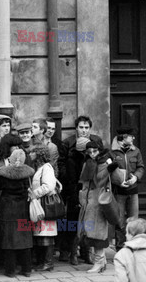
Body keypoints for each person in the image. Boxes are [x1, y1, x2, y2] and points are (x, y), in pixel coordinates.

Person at [61, 115, 103, 265]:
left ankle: (86, 252)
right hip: (74, 190)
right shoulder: (69, 145)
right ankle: (71, 252)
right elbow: (64, 169)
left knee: (89, 222)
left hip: (91, 189)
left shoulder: (96, 142)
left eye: (86, 127)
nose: (84, 130)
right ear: (76, 128)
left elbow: (102, 160)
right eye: (81, 127)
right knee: (73, 222)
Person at [0, 149, 35, 278]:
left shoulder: (3, 173)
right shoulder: (27, 173)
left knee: (8, 239)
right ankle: (27, 269)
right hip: (23, 208)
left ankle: (10, 270)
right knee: (25, 239)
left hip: (7, 208)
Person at [77, 141, 116, 273]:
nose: (92, 154)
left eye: (95, 151)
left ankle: (98, 262)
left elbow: (100, 180)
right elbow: (83, 182)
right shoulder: (88, 163)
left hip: (99, 201)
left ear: (100, 150)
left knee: (98, 234)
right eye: (89, 152)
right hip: (88, 202)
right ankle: (102, 261)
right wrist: (82, 198)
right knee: (90, 232)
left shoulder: (105, 162)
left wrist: (109, 169)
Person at [111, 126, 145, 252]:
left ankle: (134, 248)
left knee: (134, 220)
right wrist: (119, 182)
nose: (133, 138)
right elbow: (110, 171)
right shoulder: (113, 152)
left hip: (133, 191)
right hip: (119, 192)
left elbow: (141, 167)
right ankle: (120, 249)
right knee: (119, 221)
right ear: (124, 137)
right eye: (131, 136)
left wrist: (136, 177)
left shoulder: (136, 151)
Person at [28, 145, 57, 272]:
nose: (30, 154)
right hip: (38, 205)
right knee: (41, 234)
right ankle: (42, 262)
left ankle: (48, 262)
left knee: (47, 234)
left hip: (44, 205)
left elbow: (49, 186)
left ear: (39, 154)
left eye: (33, 152)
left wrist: (35, 193)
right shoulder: (39, 168)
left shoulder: (47, 168)